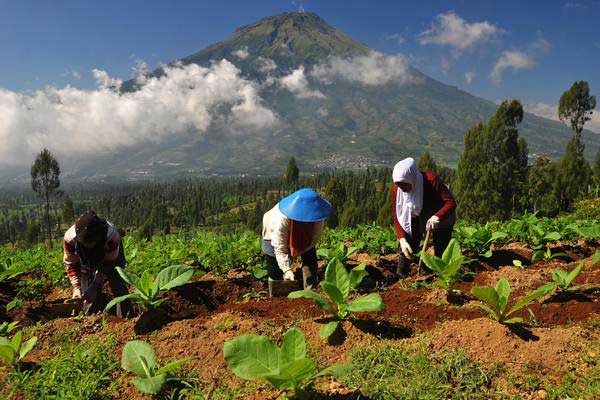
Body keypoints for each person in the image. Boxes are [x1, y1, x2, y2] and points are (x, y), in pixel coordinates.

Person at [392, 158, 456, 277]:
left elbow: (450, 203)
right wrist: (402, 239)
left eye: (404, 184)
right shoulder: (398, 188)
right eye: (398, 184)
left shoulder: (431, 180)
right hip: (418, 214)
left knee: (441, 250)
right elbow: (397, 216)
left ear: (412, 178)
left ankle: (439, 276)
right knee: (408, 243)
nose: (402, 188)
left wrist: (437, 217)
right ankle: (401, 274)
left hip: (443, 215)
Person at [63, 211, 132, 317]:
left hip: (109, 253)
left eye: (91, 242)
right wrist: (76, 288)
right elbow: (72, 264)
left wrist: (96, 284)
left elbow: (109, 263)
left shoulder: (111, 236)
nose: (89, 245)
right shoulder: (70, 239)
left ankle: (126, 315)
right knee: (87, 290)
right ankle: (91, 316)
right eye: (86, 243)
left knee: (116, 277)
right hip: (86, 256)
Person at [261, 188, 333, 289]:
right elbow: (279, 247)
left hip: (302, 234)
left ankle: (309, 289)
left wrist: (300, 250)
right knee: (274, 267)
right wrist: (286, 269)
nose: (307, 221)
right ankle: (276, 294)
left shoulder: (317, 216)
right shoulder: (280, 219)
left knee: (310, 258)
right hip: (272, 231)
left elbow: (313, 239)